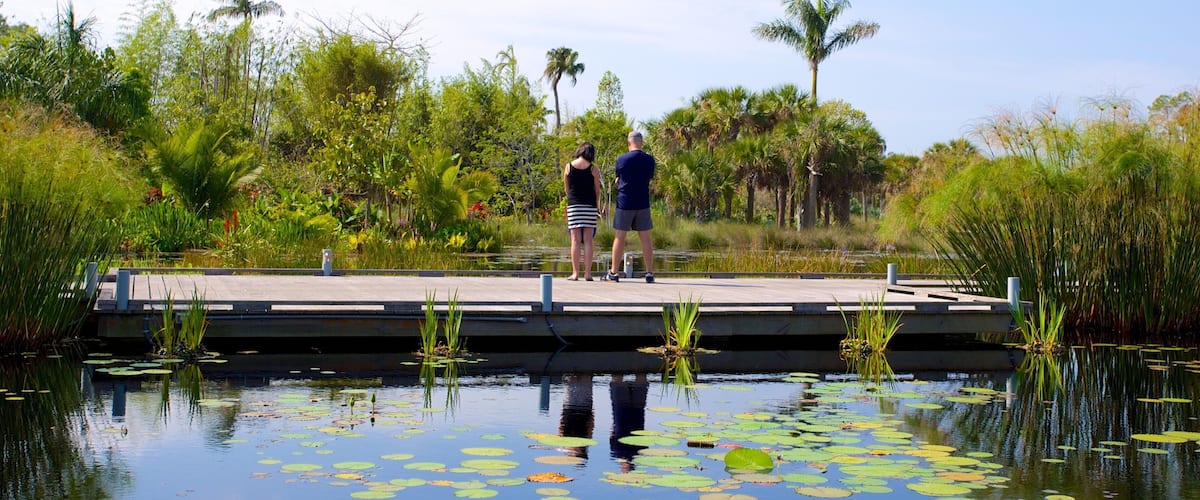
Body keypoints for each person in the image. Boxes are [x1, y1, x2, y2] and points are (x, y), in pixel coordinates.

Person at [604, 131, 656, 283]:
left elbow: (619, 176)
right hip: (643, 202)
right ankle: (649, 272)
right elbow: (648, 177)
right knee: (645, 237)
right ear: (642, 142)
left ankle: (614, 272)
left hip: (625, 202)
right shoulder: (649, 160)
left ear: (629, 143)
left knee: (620, 237)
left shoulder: (622, 159)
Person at [564, 142, 603, 281]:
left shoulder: (568, 166)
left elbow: (567, 189)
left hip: (574, 206)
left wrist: (571, 201)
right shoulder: (593, 169)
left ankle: (575, 273)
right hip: (589, 206)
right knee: (588, 240)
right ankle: (587, 273)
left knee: (574, 240)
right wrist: (597, 205)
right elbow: (597, 190)